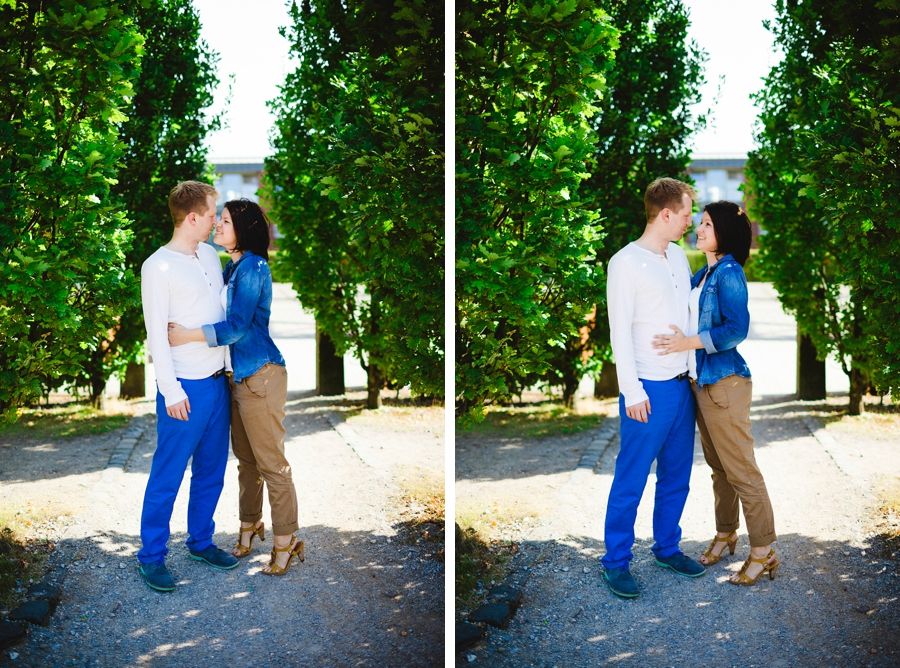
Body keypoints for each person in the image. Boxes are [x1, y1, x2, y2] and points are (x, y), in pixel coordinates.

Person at [168, 199, 304, 576]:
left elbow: (238, 326)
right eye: (219, 220)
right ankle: (249, 526)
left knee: (272, 464)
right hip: (237, 377)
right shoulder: (233, 266)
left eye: (224, 221)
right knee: (247, 462)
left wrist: (186, 337)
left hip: (261, 373)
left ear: (242, 228)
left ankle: (286, 541)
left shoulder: (255, 266)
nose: (218, 226)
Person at [652, 201, 779, 586]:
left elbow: (737, 329)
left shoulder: (729, 274)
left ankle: (764, 551)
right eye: (701, 222)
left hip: (725, 384)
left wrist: (687, 342)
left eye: (707, 223)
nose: (700, 228)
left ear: (724, 231)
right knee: (720, 469)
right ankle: (726, 533)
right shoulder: (704, 273)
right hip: (701, 383)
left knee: (741, 470)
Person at [601, 178, 706, 599]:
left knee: (677, 477)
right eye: (685, 215)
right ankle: (615, 563)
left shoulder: (678, 256)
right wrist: (632, 390)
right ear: (665, 214)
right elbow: (619, 332)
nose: (689, 222)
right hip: (647, 389)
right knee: (631, 478)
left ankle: (667, 547)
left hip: (683, 388)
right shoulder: (624, 263)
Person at [138, 181, 239, 592]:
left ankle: (200, 541)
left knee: (212, 473)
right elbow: (156, 335)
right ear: (193, 217)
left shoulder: (211, 257)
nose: (217, 221)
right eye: (213, 213)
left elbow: (221, 316)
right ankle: (151, 557)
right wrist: (170, 390)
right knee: (168, 474)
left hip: (218, 385)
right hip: (185, 390)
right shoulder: (157, 266)